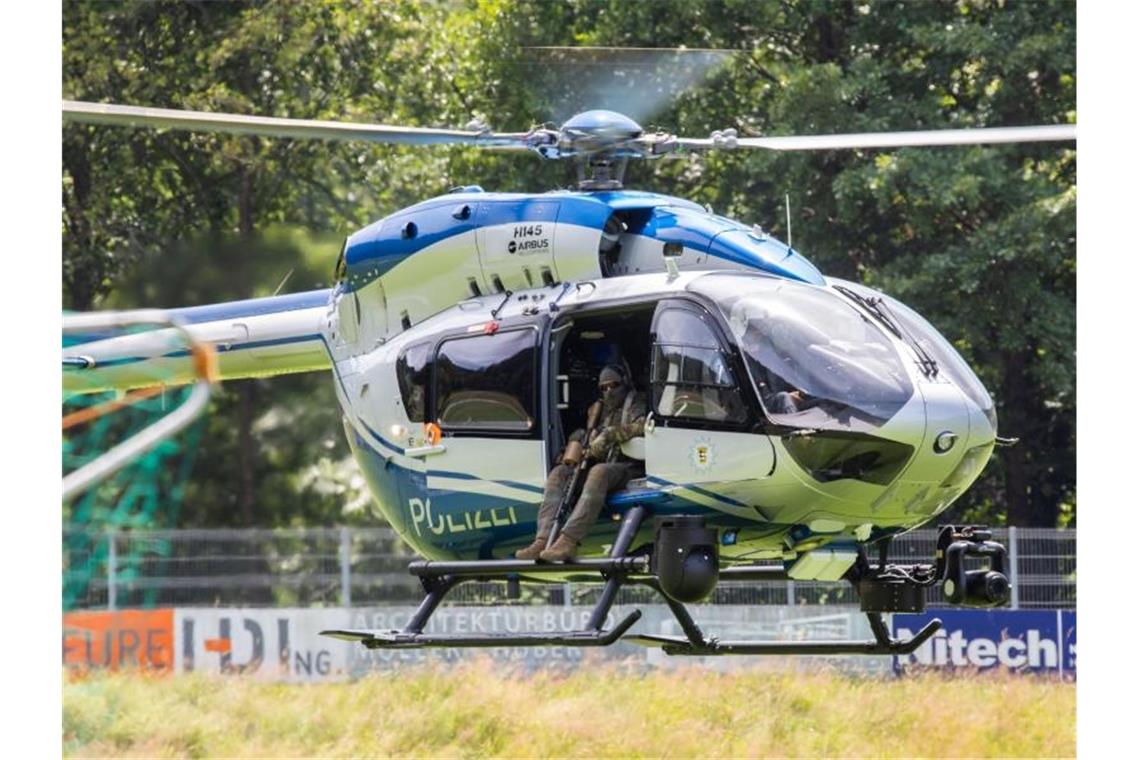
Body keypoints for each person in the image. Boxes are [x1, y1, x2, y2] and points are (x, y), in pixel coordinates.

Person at [516, 364, 647, 562]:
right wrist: (579, 443)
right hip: (603, 463)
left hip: (630, 466)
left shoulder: (637, 401)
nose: (609, 391)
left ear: (625, 384)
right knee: (559, 474)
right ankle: (544, 539)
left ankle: (568, 541)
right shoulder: (599, 410)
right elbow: (587, 437)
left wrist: (611, 434)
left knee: (598, 472)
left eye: (614, 385)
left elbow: (643, 425)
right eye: (604, 388)